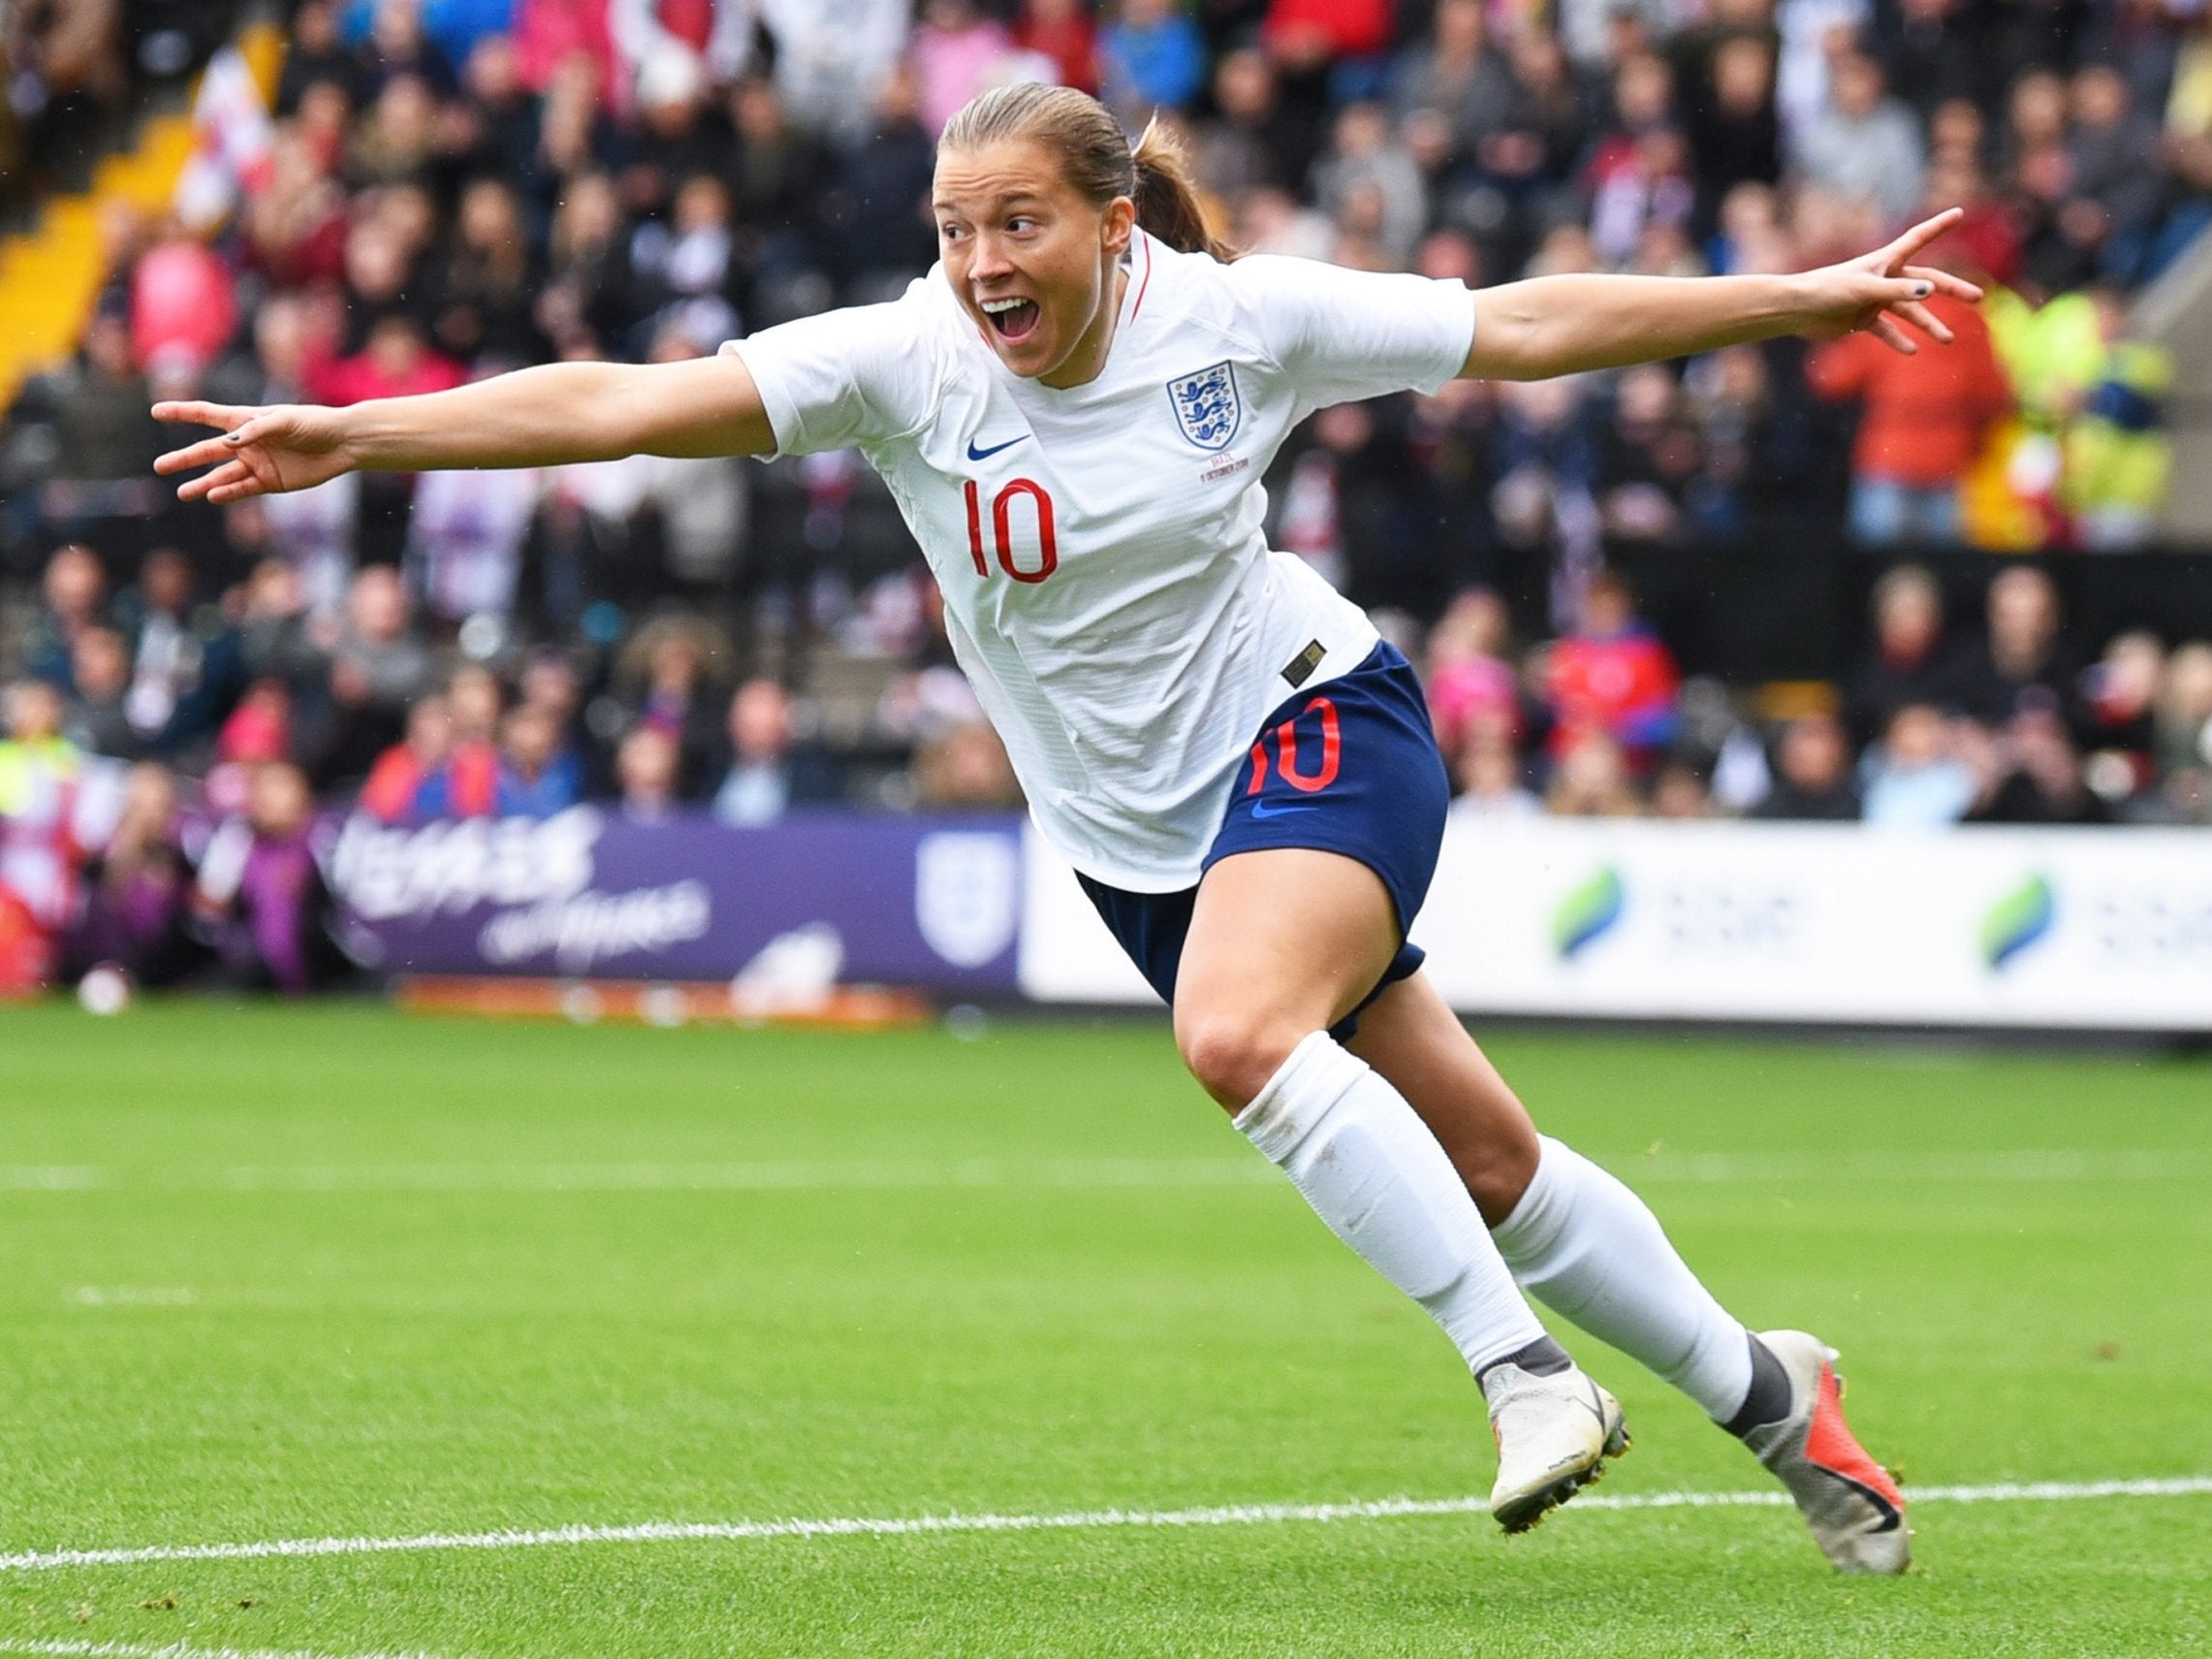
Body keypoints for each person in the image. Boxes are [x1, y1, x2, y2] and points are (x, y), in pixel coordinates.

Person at [153, 82, 1978, 1568]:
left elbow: (1518, 325)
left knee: (1237, 1037)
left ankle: (1522, 1377)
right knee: (1488, 1163)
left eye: (1013, 224)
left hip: (1319, 726)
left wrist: (1796, 297)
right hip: (1137, 845)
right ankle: (1770, 1395)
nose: (976, 264)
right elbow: (620, 402)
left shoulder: (1235, 322)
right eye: (952, 232)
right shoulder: (901, 363)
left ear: (1112, 225)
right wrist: (363, 434)